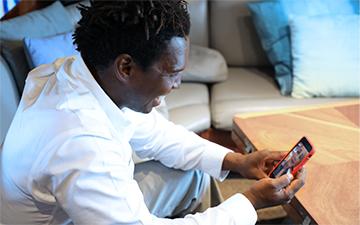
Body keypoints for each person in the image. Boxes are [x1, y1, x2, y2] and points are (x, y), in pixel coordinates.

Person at [0, 1, 306, 224]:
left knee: (194, 175)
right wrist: (251, 202)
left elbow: (156, 134)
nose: (177, 84)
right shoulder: (82, 143)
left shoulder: (74, 73)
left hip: (74, 206)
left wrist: (237, 161)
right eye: (172, 72)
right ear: (126, 67)